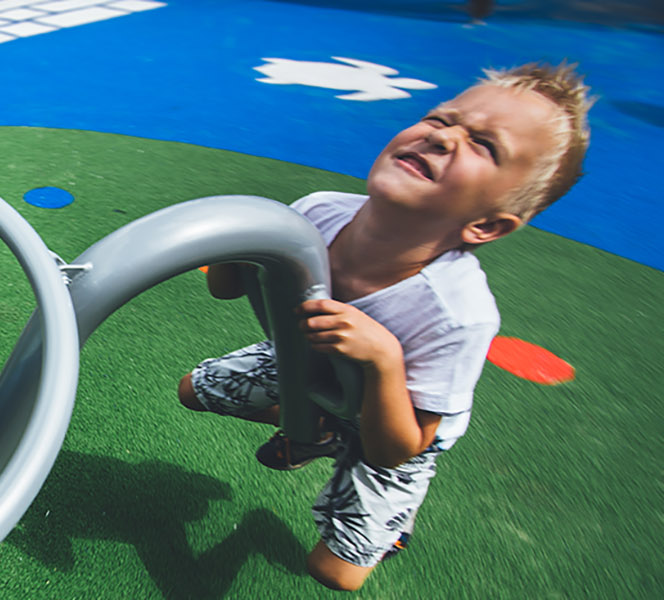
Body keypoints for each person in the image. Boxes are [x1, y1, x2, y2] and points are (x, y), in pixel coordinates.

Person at [176, 63, 591, 591]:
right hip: (307, 366)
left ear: (485, 224)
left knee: (336, 573)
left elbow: (397, 448)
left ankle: (384, 505)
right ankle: (321, 433)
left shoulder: (457, 314)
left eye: (483, 145)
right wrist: (238, 240)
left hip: (399, 423)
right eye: (440, 118)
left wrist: (383, 360)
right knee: (194, 391)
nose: (443, 136)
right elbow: (229, 288)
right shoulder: (315, 214)